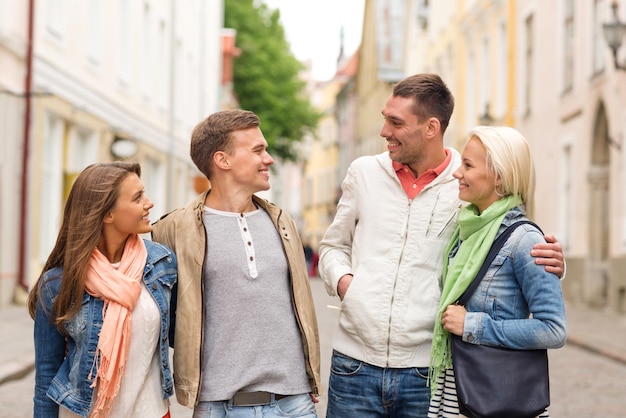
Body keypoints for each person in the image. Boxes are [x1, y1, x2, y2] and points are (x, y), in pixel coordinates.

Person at [317, 73, 565, 417]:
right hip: (354, 365)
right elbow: (332, 246)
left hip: (427, 371)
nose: (384, 131)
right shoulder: (364, 173)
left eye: (395, 122)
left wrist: (548, 260)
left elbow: (502, 237)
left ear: (431, 127)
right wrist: (348, 286)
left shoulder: (466, 185)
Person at [151, 109, 321, 418]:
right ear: (222, 160)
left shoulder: (283, 223)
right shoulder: (171, 229)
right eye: (258, 150)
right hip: (216, 406)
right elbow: (160, 319)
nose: (268, 159)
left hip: (294, 404)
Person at [427, 126, 567, 417]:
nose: (457, 173)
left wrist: (474, 326)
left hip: (496, 396)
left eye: (468, 165)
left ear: (499, 176)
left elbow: (553, 330)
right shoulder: (465, 230)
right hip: (457, 390)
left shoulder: (525, 240)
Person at [29, 162, 178, 418]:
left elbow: (181, 334)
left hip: (151, 411)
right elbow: (46, 372)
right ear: (107, 214)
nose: (149, 203)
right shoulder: (58, 284)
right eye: (137, 197)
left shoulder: (161, 264)